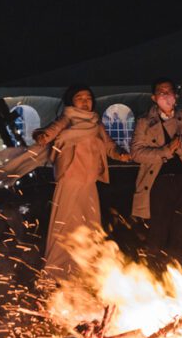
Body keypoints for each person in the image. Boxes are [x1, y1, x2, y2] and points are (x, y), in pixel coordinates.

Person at [33, 84, 131, 279]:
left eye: (88, 98)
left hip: (89, 179)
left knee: (89, 220)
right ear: (72, 101)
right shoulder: (68, 118)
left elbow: (109, 145)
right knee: (64, 218)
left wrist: (120, 154)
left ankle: (86, 266)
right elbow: (50, 131)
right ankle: (55, 267)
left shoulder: (96, 123)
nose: (85, 101)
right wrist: (42, 136)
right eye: (80, 97)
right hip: (70, 176)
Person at [130, 78, 182, 271]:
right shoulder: (144, 121)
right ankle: (153, 274)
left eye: (169, 91)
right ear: (154, 97)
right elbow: (137, 153)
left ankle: (177, 274)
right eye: (160, 92)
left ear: (176, 96)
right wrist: (165, 151)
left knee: (179, 230)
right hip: (157, 181)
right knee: (157, 229)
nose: (165, 95)